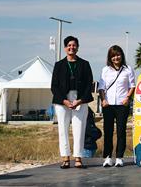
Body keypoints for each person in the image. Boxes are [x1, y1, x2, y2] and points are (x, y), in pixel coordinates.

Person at [50, 35, 94, 169]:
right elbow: (54, 86)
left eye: (74, 45)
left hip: (80, 100)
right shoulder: (59, 65)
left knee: (79, 129)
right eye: (69, 45)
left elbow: (89, 85)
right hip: (62, 101)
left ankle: (78, 158)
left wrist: (80, 101)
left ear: (78, 47)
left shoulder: (85, 64)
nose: (71, 47)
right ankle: (65, 158)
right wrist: (64, 101)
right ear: (65, 48)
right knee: (63, 129)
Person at [97, 45, 135, 168]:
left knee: (121, 131)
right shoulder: (105, 70)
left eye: (118, 55)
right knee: (108, 131)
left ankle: (119, 157)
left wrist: (127, 98)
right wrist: (103, 100)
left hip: (122, 104)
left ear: (122, 55)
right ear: (110, 57)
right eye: (113, 56)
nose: (116, 58)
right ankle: (108, 157)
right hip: (108, 105)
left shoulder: (128, 69)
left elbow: (132, 86)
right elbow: (101, 87)